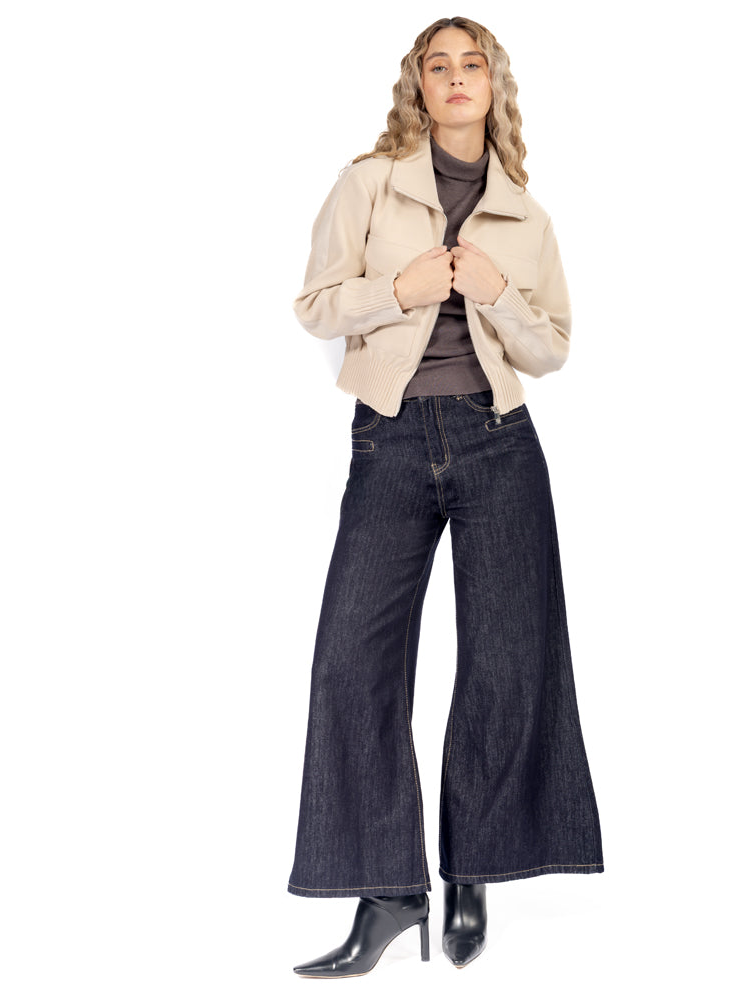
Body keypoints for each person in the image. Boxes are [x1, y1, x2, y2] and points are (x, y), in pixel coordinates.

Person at [287, 16, 603, 977]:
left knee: (506, 662)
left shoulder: (526, 217)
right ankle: (387, 891)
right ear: (417, 86)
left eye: (473, 64)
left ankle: (474, 870)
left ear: (493, 85)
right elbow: (315, 306)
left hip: (499, 441)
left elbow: (552, 347)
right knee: (352, 660)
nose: (457, 77)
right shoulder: (368, 184)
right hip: (388, 440)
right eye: (439, 64)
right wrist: (401, 287)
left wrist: (497, 292)